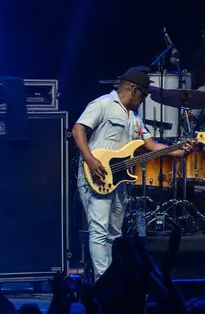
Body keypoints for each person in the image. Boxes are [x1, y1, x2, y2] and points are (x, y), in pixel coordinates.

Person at [71, 67, 192, 281]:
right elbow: (78, 129)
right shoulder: (103, 104)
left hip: (119, 180)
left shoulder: (135, 118)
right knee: (99, 230)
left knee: (115, 234)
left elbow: (151, 145)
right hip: (96, 175)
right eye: (144, 95)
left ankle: (114, 279)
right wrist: (90, 158)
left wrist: (179, 150)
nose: (144, 99)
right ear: (134, 90)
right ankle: (102, 282)